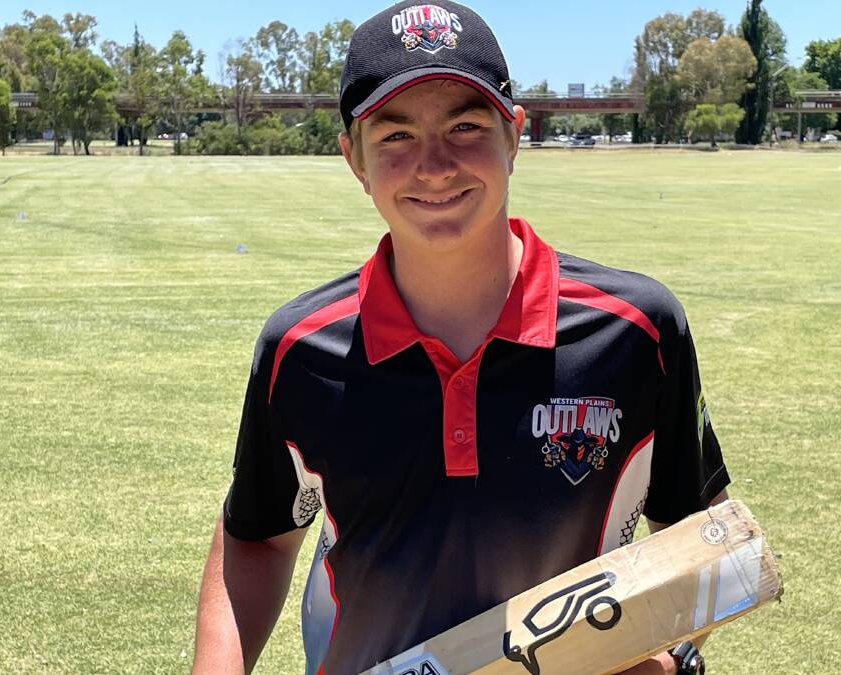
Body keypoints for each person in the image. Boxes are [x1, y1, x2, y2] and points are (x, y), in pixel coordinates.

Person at [192, 2, 729, 673]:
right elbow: (259, 537)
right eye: (394, 138)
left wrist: (674, 655)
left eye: (466, 126)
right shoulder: (299, 349)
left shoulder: (638, 332)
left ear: (515, 135)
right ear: (353, 158)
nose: (435, 166)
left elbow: (701, 534)